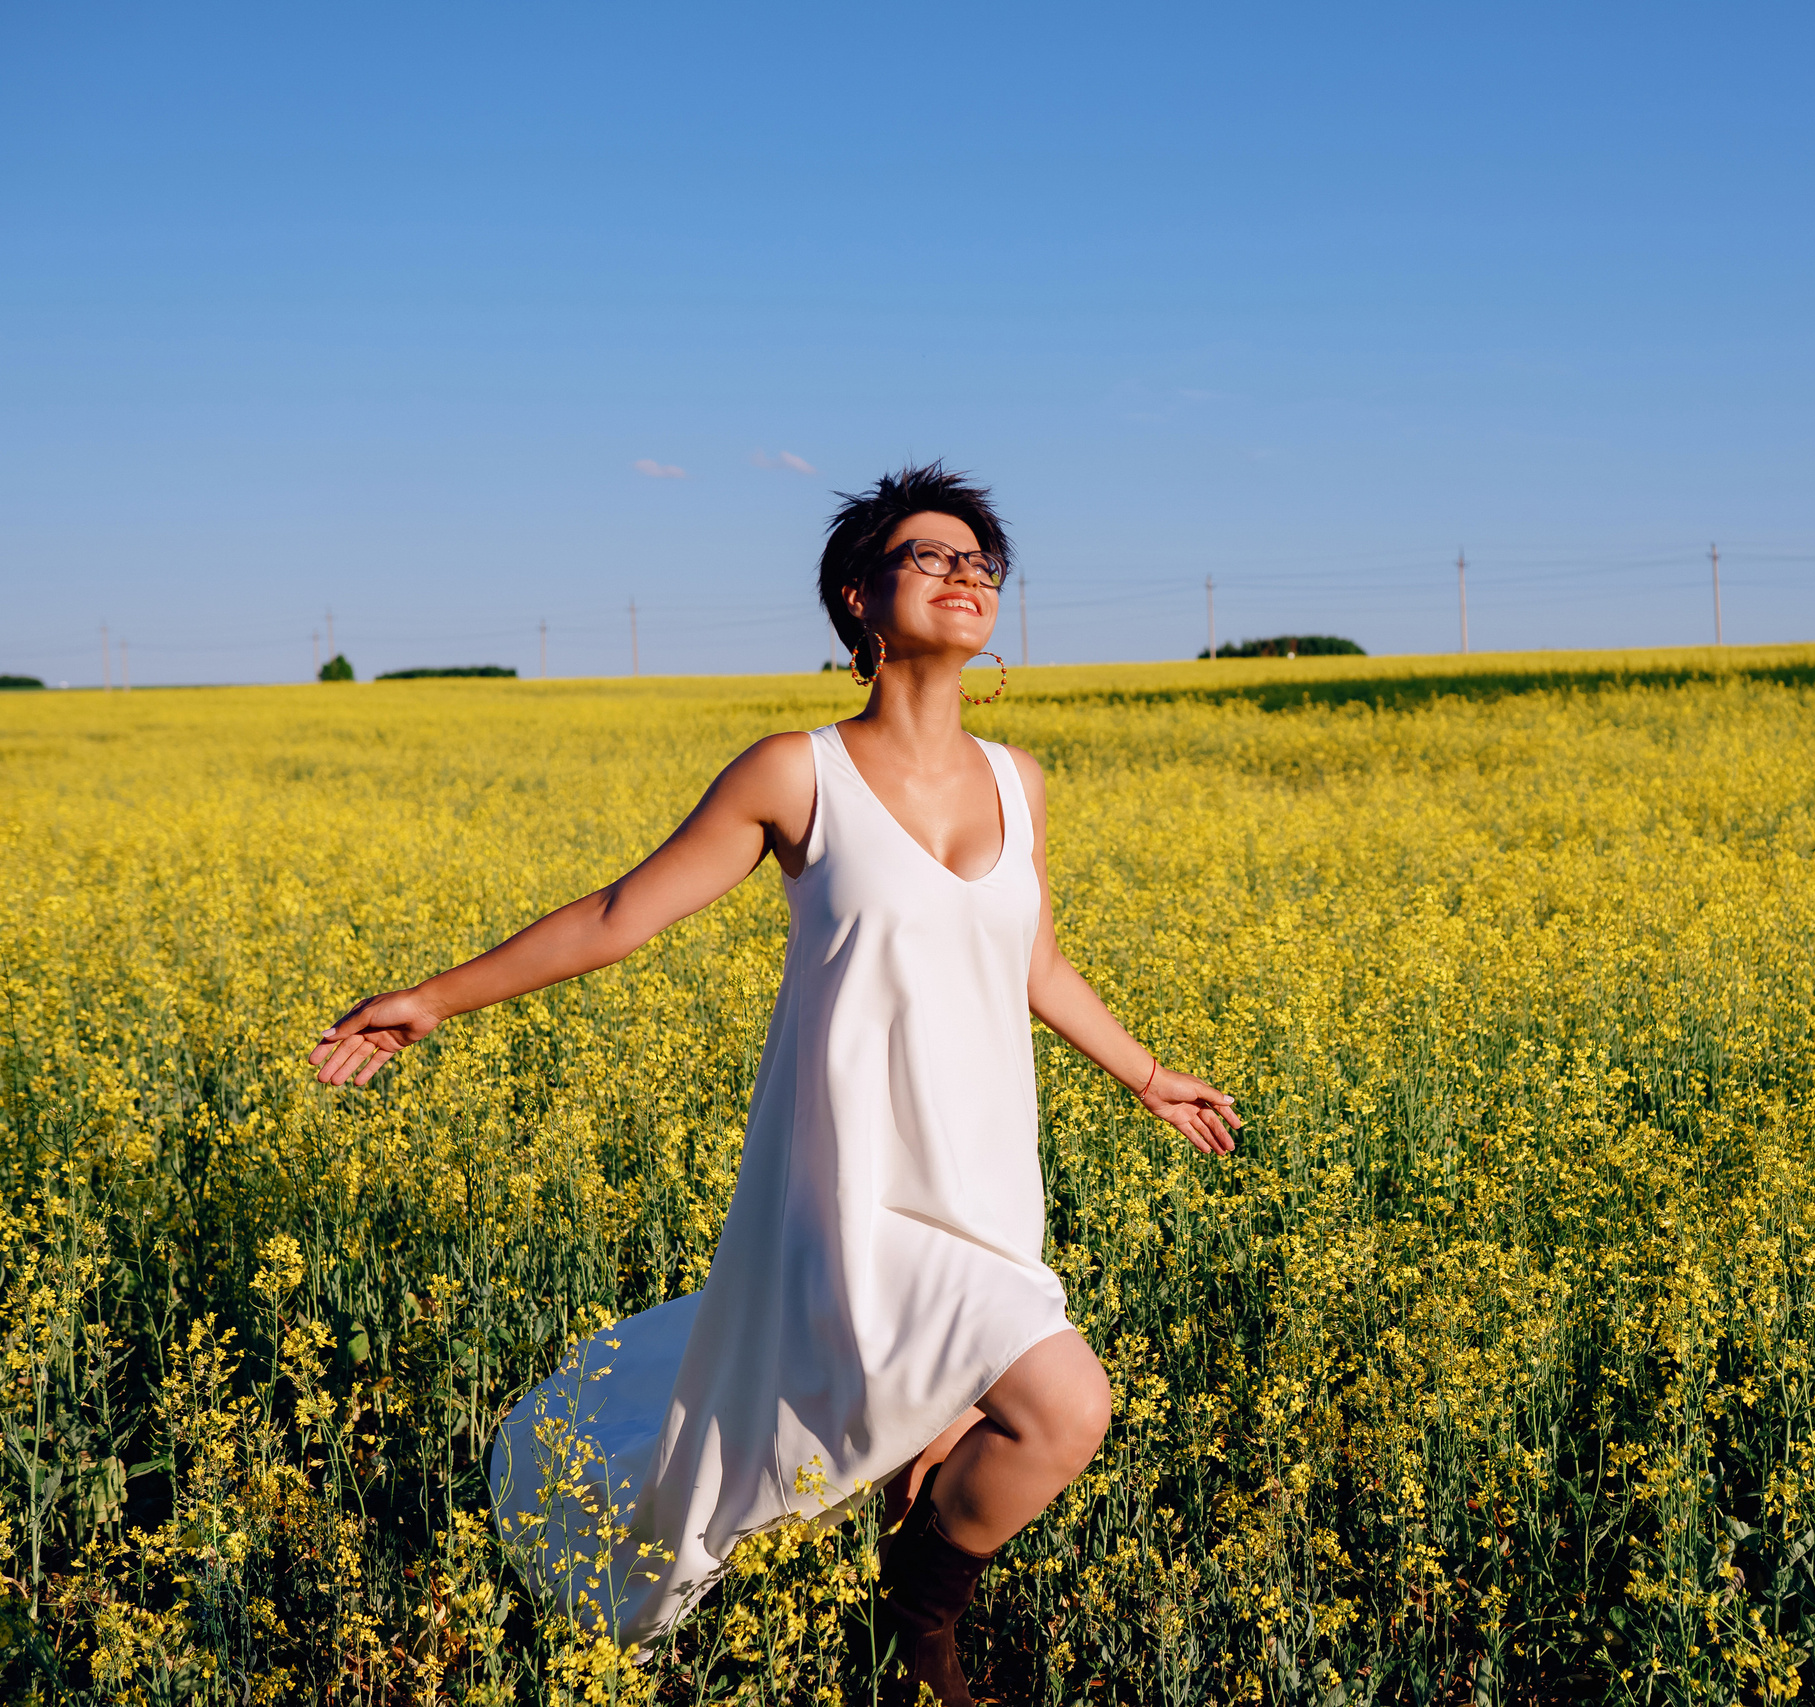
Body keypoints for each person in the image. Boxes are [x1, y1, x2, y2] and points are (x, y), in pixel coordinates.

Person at [307, 464, 1239, 1704]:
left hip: (980, 1176)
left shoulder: (1021, 779)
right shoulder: (797, 773)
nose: (968, 577)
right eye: (932, 556)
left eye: (983, 562)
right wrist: (437, 995)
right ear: (858, 598)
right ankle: (917, 1631)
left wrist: (1145, 1073)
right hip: (852, 1181)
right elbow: (619, 913)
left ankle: (909, 1557)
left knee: (999, 1408)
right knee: (1067, 1406)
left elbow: (1034, 958)